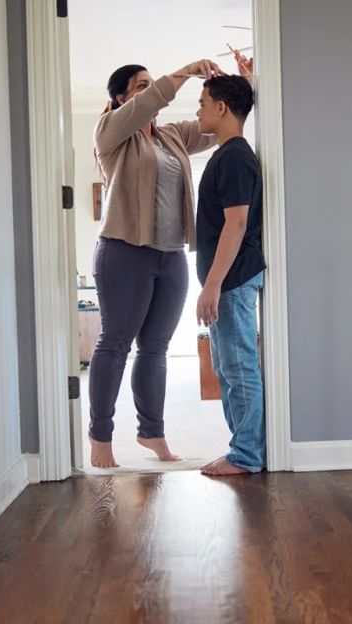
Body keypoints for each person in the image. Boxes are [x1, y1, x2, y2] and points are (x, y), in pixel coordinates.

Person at [89, 59, 224, 468]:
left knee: (156, 349)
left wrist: (245, 80)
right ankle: (100, 438)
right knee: (114, 345)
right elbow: (147, 105)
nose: (150, 93)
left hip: (170, 255)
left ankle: (152, 433)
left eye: (152, 85)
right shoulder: (112, 131)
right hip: (124, 251)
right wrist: (183, 72)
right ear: (122, 97)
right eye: (141, 86)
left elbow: (219, 125)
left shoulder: (173, 137)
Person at [192, 67, 266, 476]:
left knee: (238, 368)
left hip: (233, 279)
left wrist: (213, 286)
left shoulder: (235, 157)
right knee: (229, 368)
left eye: (202, 104)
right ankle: (243, 450)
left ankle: (246, 456)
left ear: (222, 108)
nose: (199, 110)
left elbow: (236, 224)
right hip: (228, 279)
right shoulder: (230, 155)